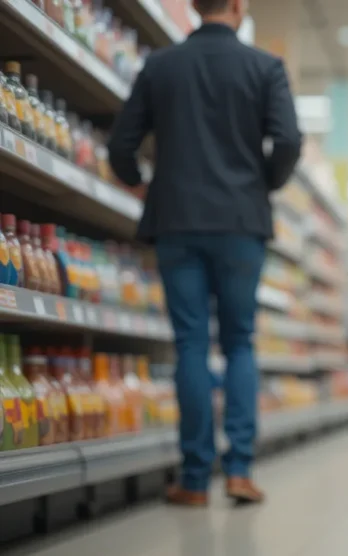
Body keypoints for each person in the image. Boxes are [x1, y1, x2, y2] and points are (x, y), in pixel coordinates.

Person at [106, 0, 303, 507]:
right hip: (241, 221)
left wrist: (141, 184)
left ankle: (194, 479)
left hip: (177, 220)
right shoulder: (265, 66)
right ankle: (239, 470)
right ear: (238, 6)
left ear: (194, 6)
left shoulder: (161, 65)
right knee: (240, 342)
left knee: (190, 344)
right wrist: (262, 184)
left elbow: (121, 146)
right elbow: (287, 140)